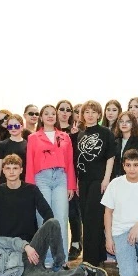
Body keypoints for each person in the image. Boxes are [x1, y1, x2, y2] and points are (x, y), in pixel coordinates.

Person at [25, 104, 76, 264]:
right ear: (41, 117)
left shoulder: (65, 136)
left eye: (53, 113)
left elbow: (70, 162)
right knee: (44, 218)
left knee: (61, 218)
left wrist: (71, 185)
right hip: (42, 179)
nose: (50, 116)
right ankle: (47, 259)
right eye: (46, 113)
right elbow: (30, 163)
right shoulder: (33, 137)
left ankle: (62, 259)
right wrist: (30, 188)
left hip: (61, 178)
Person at [74, 100, 116, 266]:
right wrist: (77, 181)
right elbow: (78, 160)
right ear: (82, 115)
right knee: (86, 218)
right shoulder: (81, 134)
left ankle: (90, 260)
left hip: (98, 180)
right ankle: (98, 256)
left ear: (99, 114)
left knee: (93, 218)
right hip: (83, 181)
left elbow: (110, 157)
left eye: (93, 112)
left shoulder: (106, 132)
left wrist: (106, 179)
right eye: (87, 112)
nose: (90, 115)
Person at [56, 100, 82, 259]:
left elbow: (77, 157)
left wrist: (75, 136)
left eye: (68, 110)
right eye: (62, 109)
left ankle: (76, 243)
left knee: (73, 211)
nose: (65, 112)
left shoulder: (77, 131)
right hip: (55, 175)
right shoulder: (51, 130)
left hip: (73, 175)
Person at [0, 114, 27, 186]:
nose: (13, 128)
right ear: (7, 128)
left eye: (16, 126)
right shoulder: (2, 145)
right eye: (10, 126)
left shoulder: (28, 144)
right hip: (5, 185)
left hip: (23, 184)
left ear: (22, 127)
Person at [111, 111, 138, 179]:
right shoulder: (115, 141)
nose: (124, 124)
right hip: (117, 178)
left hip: (134, 177)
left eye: (128, 122)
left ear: (133, 124)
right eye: (121, 121)